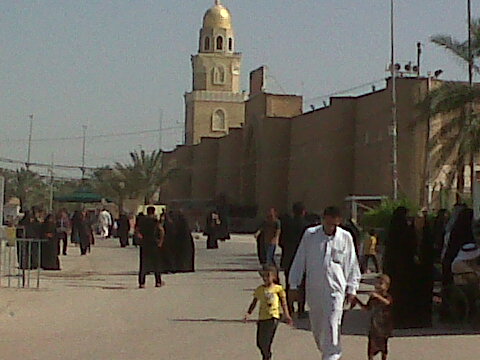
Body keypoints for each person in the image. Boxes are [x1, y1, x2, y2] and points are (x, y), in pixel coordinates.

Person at [289, 206, 361, 360]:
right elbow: (300, 259)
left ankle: (332, 355)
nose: (330, 227)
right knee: (318, 329)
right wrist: (293, 285)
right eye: (327, 223)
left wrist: (352, 289)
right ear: (323, 220)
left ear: (339, 222)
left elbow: (352, 264)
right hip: (314, 291)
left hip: (335, 291)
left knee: (332, 325)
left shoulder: (345, 237)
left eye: (333, 224)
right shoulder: (310, 235)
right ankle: (328, 353)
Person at [244, 266, 293, 360]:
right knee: (259, 343)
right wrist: (248, 313)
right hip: (262, 318)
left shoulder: (278, 289)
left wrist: (287, 315)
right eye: (263, 276)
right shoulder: (260, 289)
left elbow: (284, 303)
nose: (265, 278)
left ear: (274, 277)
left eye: (268, 276)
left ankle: (266, 357)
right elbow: (254, 302)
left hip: (273, 317)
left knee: (267, 341)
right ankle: (266, 355)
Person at [383, 206, 418, 328]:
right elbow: (411, 246)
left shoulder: (392, 230)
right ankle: (403, 319)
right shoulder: (406, 230)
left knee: (394, 293)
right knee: (403, 294)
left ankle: (394, 319)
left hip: (393, 267)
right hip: (404, 268)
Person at [279, 202, 309, 316]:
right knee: (302, 285)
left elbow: (281, 241)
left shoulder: (286, 224)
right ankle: (301, 309)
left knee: (289, 284)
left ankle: (289, 308)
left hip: (288, 257)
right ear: (303, 211)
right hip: (302, 259)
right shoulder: (307, 226)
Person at [356, 274, 393, 360]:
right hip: (374, 327)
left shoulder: (387, 297)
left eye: (380, 283)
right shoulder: (373, 298)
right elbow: (367, 308)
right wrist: (357, 300)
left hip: (383, 327)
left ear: (387, 286)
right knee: (371, 349)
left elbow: (388, 303)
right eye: (376, 284)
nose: (378, 286)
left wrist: (378, 297)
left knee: (383, 348)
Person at [136, 206, 166, 288]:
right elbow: (161, 230)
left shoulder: (142, 220)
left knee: (143, 264)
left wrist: (141, 239)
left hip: (145, 244)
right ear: (154, 212)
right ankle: (158, 282)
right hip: (154, 244)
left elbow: (137, 231)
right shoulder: (155, 221)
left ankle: (142, 283)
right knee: (156, 263)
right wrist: (160, 242)